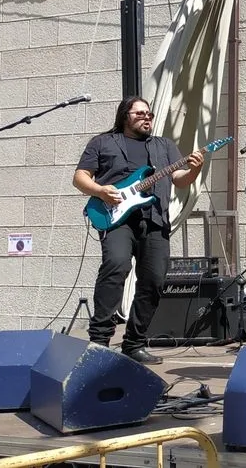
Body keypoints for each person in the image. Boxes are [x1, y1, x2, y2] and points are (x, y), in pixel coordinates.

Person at [73, 96, 205, 365]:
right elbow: (80, 177)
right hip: (117, 220)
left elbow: (179, 180)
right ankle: (99, 340)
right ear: (125, 116)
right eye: (140, 113)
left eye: (150, 114)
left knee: (154, 280)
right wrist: (100, 191)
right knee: (116, 266)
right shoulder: (102, 143)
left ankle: (134, 343)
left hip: (155, 220)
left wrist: (195, 170)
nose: (147, 118)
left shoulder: (163, 146)